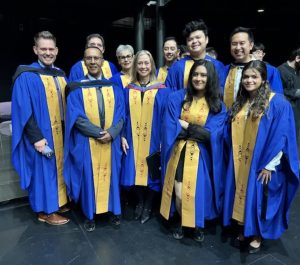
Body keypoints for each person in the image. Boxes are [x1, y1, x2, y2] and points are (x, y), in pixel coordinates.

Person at [223, 60, 299, 254]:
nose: (249, 80)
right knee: (241, 194)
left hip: (261, 163)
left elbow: (282, 135)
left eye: (254, 76)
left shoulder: (277, 102)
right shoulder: (241, 102)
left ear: (263, 79)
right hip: (240, 160)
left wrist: (269, 164)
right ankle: (243, 227)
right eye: (246, 77)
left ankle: (257, 234)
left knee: (258, 199)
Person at [160, 60, 226, 242]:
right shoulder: (177, 97)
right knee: (180, 192)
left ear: (210, 77)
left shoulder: (217, 105)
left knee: (199, 191)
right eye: (195, 74)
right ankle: (183, 221)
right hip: (179, 152)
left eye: (203, 75)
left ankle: (196, 224)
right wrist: (196, 129)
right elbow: (169, 126)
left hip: (202, 155)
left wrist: (185, 124)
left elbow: (210, 135)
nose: (198, 78)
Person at [11, 31, 70, 225]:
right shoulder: (26, 75)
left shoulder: (60, 74)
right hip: (41, 136)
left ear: (57, 50)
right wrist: (36, 137)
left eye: (51, 49)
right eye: (43, 49)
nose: (47, 52)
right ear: (35, 50)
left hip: (60, 135)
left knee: (57, 169)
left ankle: (58, 202)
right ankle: (46, 211)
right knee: (43, 173)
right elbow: (22, 110)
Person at [64, 46, 124, 232]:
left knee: (111, 177)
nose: (92, 62)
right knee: (89, 178)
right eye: (88, 58)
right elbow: (77, 118)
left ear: (102, 61)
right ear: (84, 61)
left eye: (96, 58)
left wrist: (112, 133)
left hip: (110, 142)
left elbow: (122, 115)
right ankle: (90, 215)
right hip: (88, 142)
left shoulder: (114, 87)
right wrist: (100, 134)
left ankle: (114, 211)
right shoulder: (76, 88)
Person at [120, 50, 170, 224]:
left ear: (151, 66)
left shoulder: (162, 90)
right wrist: (122, 136)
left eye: (146, 63)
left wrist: (165, 140)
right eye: (140, 63)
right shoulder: (128, 90)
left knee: (152, 173)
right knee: (133, 171)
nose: (143, 66)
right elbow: (122, 115)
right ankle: (140, 201)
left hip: (154, 139)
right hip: (132, 138)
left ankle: (148, 204)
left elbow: (166, 118)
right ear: (135, 65)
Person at [222, 27, 283, 109]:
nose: (238, 47)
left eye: (242, 43)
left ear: (251, 45)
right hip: (227, 119)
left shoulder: (270, 71)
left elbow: (278, 104)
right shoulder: (224, 70)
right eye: (234, 44)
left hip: (257, 119)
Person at [165, 19, 225, 91]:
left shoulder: (218, 66)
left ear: (206, 39)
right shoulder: (177, 67)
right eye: (190, 39)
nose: (194, 41)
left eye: (198, 37)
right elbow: (169, 93)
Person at [278, 47, 300, 158]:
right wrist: (295, 92)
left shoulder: (298, 71)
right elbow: (278, 92)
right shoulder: (280, 70)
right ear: (297, 58)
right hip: (289, 112)